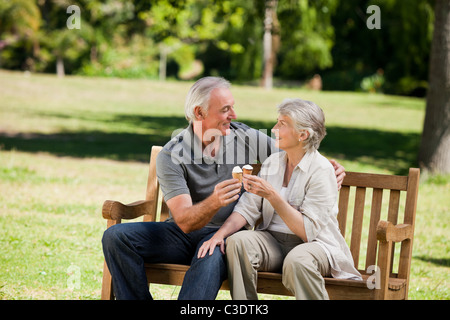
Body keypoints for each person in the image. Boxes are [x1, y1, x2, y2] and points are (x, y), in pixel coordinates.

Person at [102, 77, 346, 300]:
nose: (234, 114)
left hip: (225, 237)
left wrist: (330, 165)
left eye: (232, 106)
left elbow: (296, 146)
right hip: (181, 235)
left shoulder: (245, 137)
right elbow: (185, 222)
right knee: (116, 237)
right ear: (199, 112)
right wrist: (214, 201)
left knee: (208, 253)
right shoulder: (172, 155)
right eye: (225, 109)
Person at [198, 98, 361, 300]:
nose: (274, 129)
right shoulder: (273, 163)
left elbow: (306, 230)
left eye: (282, 124)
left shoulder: (321, 170)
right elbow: (247, 208)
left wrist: (272, 196)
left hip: (314, 246)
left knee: (297, 260)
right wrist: (219, 235)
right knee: (238, 241)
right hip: (273, 242)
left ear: (303, 134)